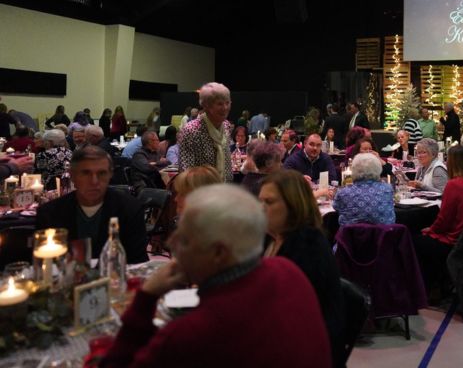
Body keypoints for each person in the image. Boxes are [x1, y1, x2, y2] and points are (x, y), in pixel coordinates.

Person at [101, 183, 331, 368]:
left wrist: (146, 297)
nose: (171, 243)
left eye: (185, 239)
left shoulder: (193, 333)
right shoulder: (287, 271)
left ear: (219, 252)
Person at [258, 171, 344, 367]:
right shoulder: (271, 238)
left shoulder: (307, 245)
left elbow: (293, 315)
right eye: (259, 201)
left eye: (269, 202)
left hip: (308, 349)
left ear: (293, 206)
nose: (260, 209)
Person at [36, 146, 148, 263]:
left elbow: (138, 262)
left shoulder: (130, 209)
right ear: (72, 176)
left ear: (110, 175)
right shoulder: (50, 213)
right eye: (86, 173)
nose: (94, 181)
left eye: (102, 173)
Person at [413, 145, 463, 291]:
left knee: (415, 240)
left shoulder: (454, 185)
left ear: (452, 163)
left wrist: (431, 230)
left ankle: (430, 288)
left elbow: (444, 220)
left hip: (457, 239)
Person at [178, 82, 234, 182]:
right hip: (200, 188)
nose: (225, 108)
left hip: (224, 187)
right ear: (206, 106)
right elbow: (186, 171)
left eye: (227, 103)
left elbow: (227, 164)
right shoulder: (191, 130)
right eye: (220, 104)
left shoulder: (226, 126)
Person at [333, 153, 395, 227]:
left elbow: (336, 207)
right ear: (378, 169)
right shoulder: (387, 189)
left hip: (352, 234)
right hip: (384, 233)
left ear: (354, 170)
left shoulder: (343, 193)